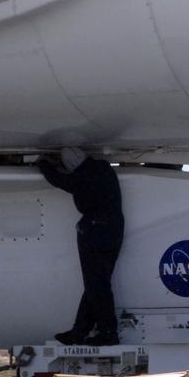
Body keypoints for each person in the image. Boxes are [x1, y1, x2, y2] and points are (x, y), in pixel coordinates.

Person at [38, 147, 124, 345]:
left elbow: (59, 180)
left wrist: (43, 164)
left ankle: (107, 332)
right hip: (114, 230)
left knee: (97, 285)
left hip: (95, 233)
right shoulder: (104, 168)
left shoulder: (81, 177)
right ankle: (80, 330)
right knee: (96, 284)